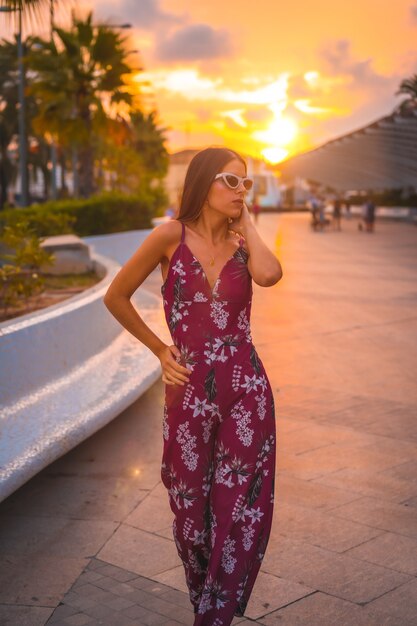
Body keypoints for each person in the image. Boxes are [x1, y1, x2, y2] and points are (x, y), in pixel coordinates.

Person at [103, 147, 283, 625]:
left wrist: (249, 224)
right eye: (230, 180)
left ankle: (214, 615)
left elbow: (270, 275)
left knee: (239, 506)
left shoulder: (245, 245)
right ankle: (207, 599)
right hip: (189, 392)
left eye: (246, 183)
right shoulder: (168, 237)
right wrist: (160, 350)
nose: (240, 190)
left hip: (246, 389)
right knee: (189, 507)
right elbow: (115, 296)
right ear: (203, 182)